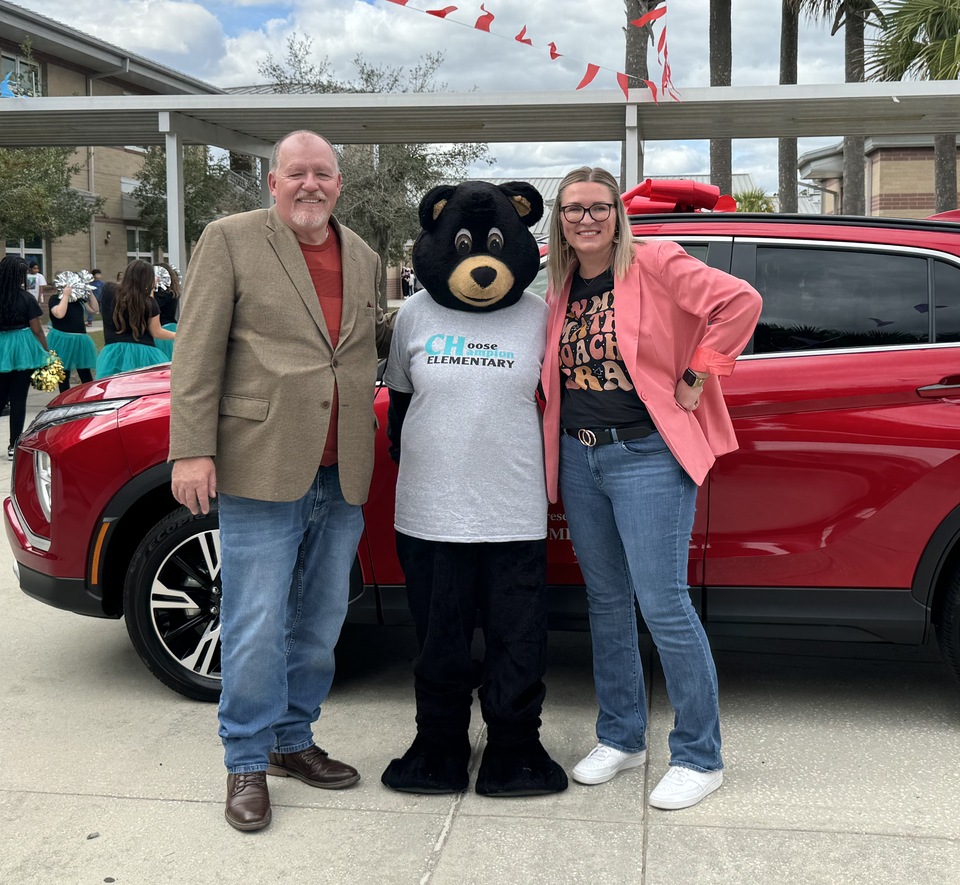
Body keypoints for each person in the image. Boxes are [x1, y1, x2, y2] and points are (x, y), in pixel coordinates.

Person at [169, 129, 393, 833]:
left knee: (321, 619)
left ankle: (293, 739)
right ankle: (245, 757)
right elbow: (196, 350)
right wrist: (191, 450)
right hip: (260, 463)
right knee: (255, 619)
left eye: (323, 173)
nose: (310, 185)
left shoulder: (361, 254)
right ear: (273, 182)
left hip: (341, 467)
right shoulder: (231, 239)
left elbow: (361, 352)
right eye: (296, 173)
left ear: (338, 183)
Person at [540, 167, 762, 810]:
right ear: (559, 217)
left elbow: (739, 301)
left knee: (663, 602)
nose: (586, 219)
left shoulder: (656, 259)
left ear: (617, 212)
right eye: (573, 209)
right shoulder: (560, 286)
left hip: (646, 457)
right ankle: (621, 737)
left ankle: (699, 754)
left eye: (598, 207)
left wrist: (699, 372)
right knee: (606, 602)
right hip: (580, 462)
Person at [0, 256, 51, 459]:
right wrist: (46, 353)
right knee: (19, 399)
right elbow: (37, 330)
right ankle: (14, 445)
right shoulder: (26, 298)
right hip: (23, 350)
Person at [95, 259, 174, 379]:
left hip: (113, 350)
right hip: (145, 352)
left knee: (114, 389)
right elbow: (156, 332)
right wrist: (178, 335)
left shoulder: (108, 290)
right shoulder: (149, 303)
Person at [48, 277, 99, 392]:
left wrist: (89, 291)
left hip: (80, 340)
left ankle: (89, 398)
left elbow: (94, 309)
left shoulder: (79, 300)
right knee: (63, 376)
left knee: (85, 374)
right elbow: (59, 314)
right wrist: (65, 295)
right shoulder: (55, 299)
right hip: (63, 341)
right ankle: (64, 401)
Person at [153, 262, 181, 361]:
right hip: (172, 327)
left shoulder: (162, 294)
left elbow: (154, 307)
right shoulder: (172, 292)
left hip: (163, 329)